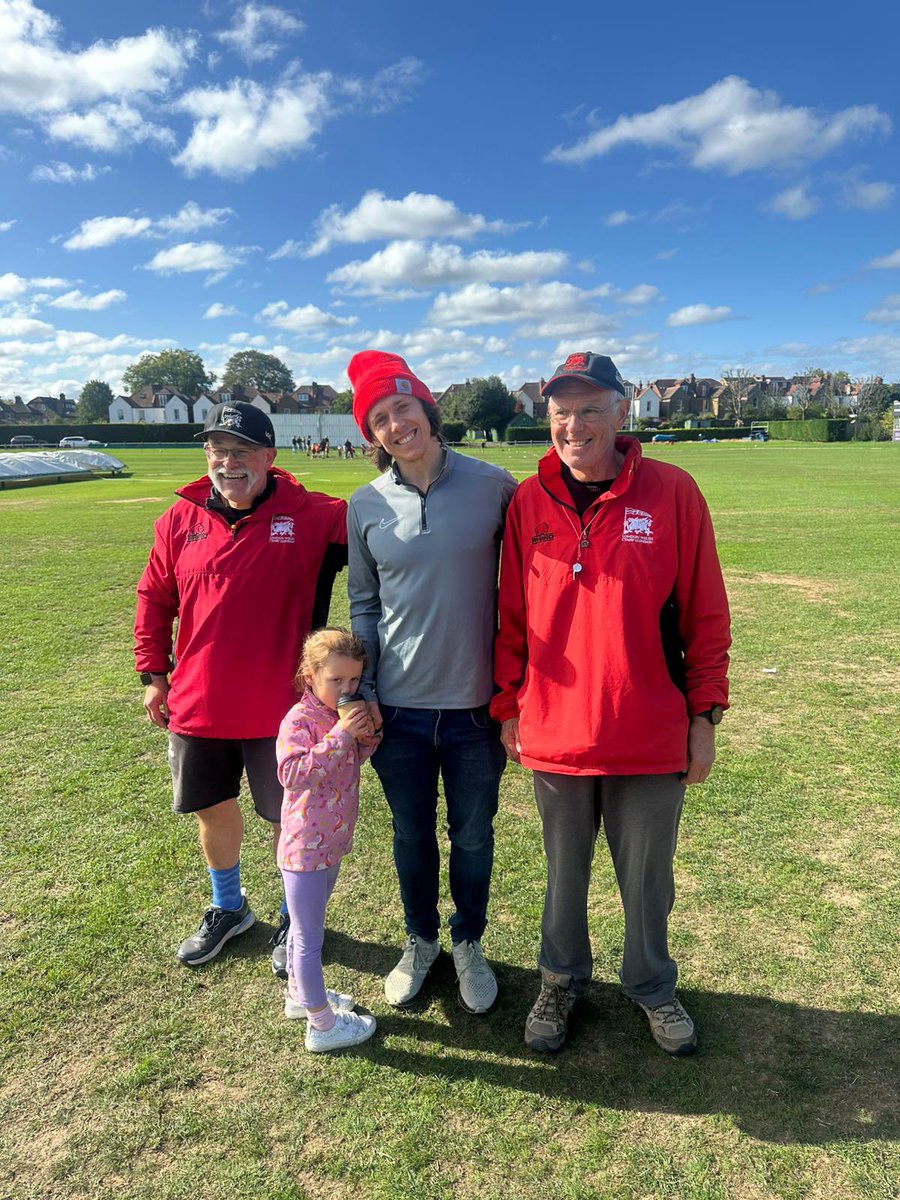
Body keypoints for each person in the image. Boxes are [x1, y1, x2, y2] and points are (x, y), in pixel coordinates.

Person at [491, 351, 731, 1056]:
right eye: (561, 410)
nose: (574, 423)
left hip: (650, 732)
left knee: (648, 880)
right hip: (556, 733)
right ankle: (561, 981)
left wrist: (704, 718)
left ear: (622, 412)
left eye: (591, 408)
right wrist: (507, 705)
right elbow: (508, 614)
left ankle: (652, 986)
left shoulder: (674, 492)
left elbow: (706, 616)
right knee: (564, 877)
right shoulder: (527, 503)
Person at [134, 401, 348, 975]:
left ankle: (291, 917)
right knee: (211, 809)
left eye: (242, 451)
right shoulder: (178, 520)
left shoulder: (314, 515)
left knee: (289, 821)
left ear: (270, 458)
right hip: (197, 702)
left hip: (280, 709)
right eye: (217, 450)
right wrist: (154, 674)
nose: (228, 462)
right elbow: (154, 598)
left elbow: (393, 530)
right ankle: (229, 908)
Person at [347, 351, 516, 1013]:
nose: (395, 425)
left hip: (475, 707)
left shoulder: (494, 485)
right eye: (380, 419)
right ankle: (420, 941)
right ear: (374, 434)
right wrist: (363, 687)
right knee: (411, 834)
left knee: (473, 836)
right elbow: (364, 601)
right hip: (400, 713)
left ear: (427, 410)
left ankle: (468, 941)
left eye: (403, 409)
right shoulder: (363, 504)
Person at [277, 627, 378, 1052]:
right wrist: (340, 735)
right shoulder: (300, 720)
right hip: (305, 848)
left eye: (353, 680)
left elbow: (346, 763)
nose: (346, 688)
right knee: (307, 939)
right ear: (310, 674)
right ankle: (322, 1026)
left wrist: (367, 737)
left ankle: (302, 998)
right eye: (336, 680)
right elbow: (292, 773)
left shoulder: (332, 714)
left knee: (306, 934)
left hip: (330, 841)